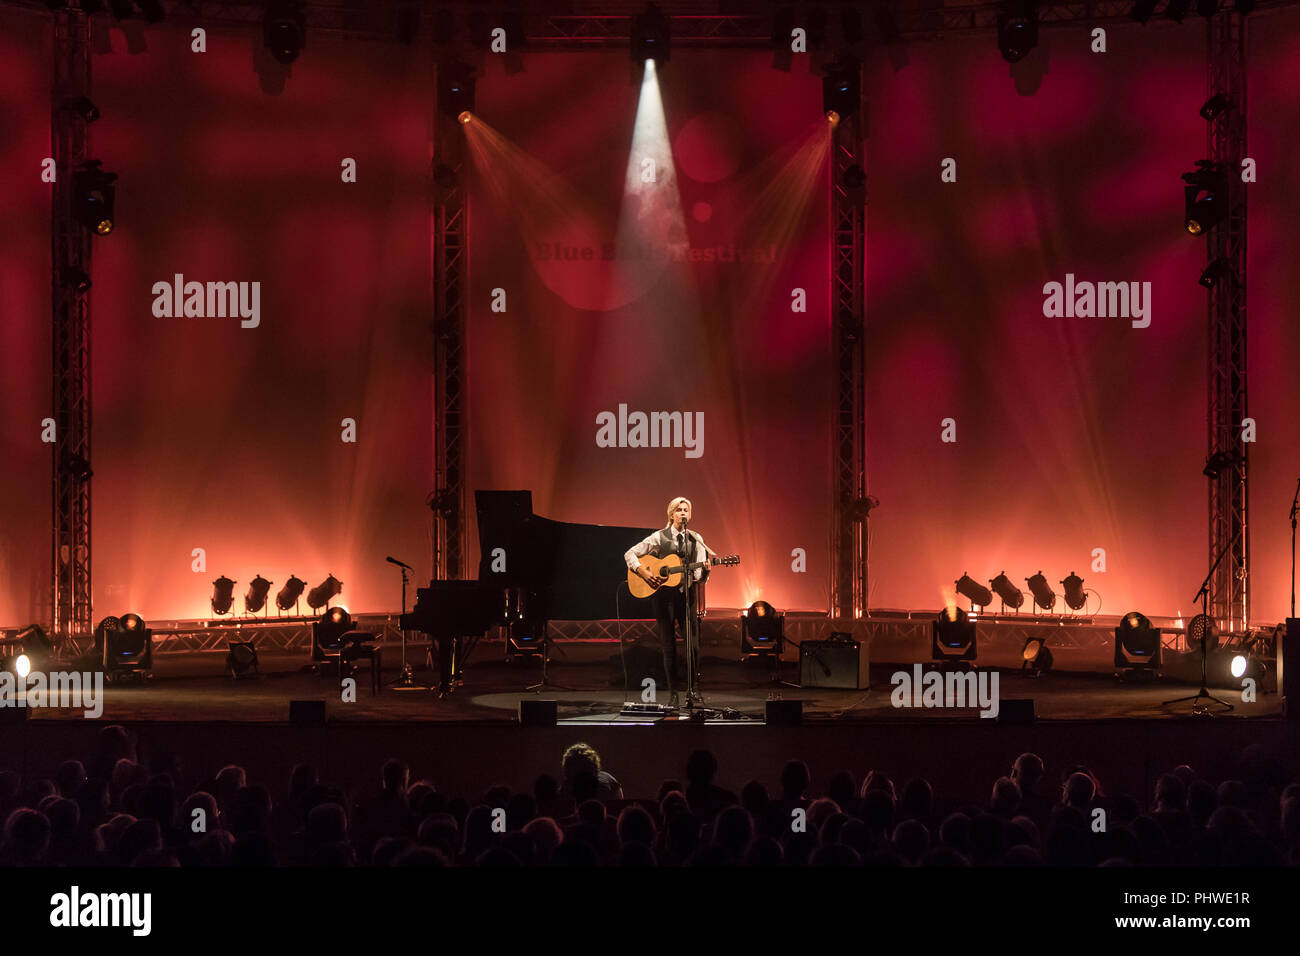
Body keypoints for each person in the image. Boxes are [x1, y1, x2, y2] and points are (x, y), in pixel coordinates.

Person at [623, 497, 716, 706]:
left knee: (693, 646)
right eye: (679, 510)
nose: (683, 513)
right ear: (671, 514)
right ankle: (673, 692)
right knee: (668, 646)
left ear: (690, 515)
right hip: (664, 598)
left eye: (686, 510)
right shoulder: (659, 537)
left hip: (686, 596)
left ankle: (693, 690)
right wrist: (643, 572)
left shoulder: (696, 539)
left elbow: (699, 574)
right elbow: (630, 553)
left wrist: (705, 573)